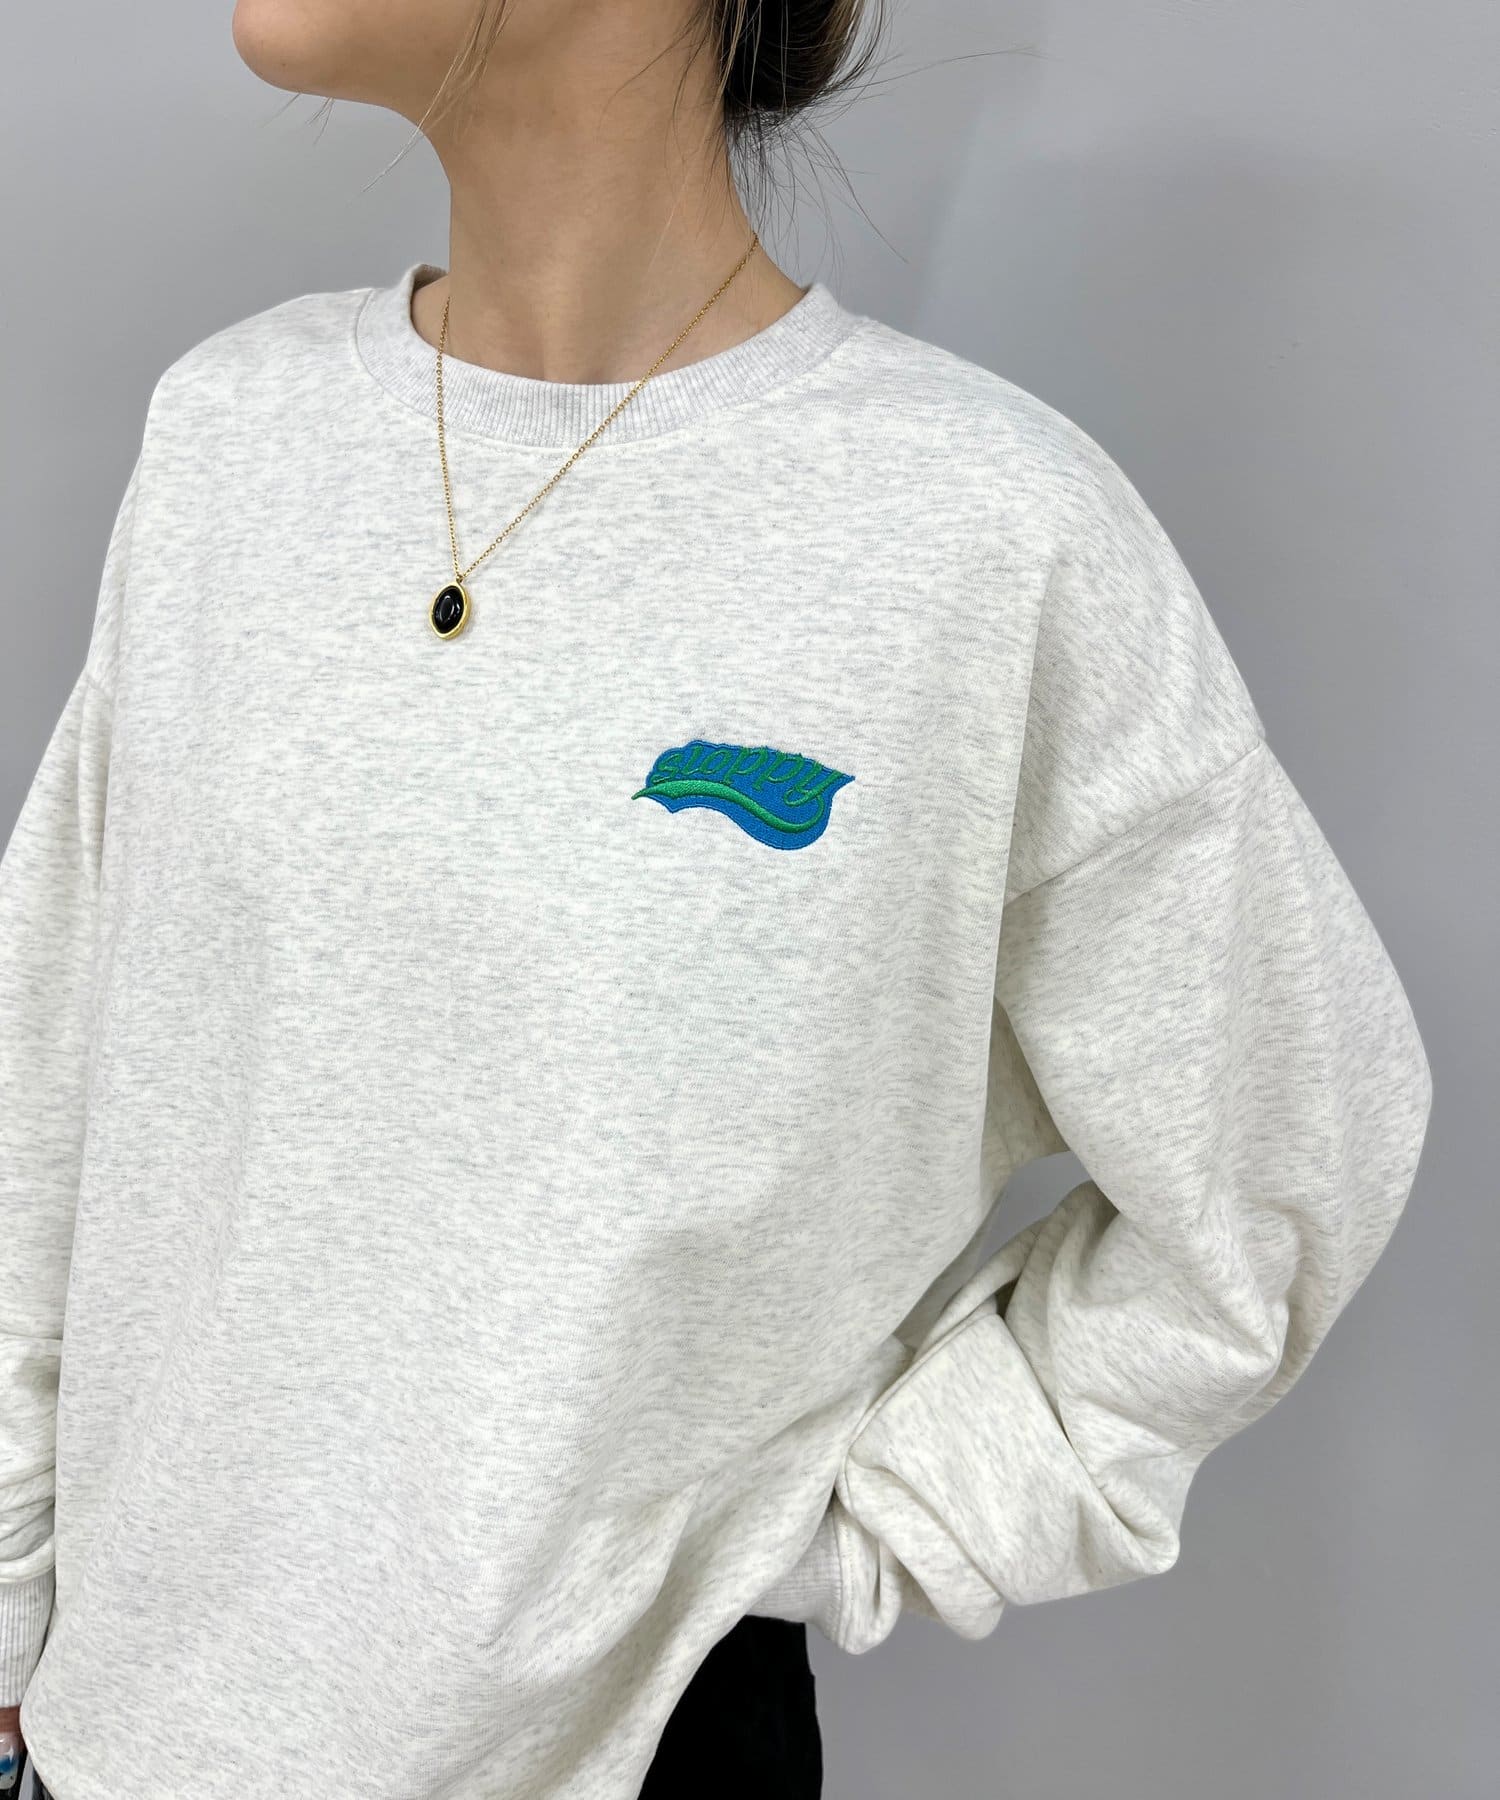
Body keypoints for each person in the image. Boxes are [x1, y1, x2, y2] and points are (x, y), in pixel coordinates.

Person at [0, 2, 1434, 1797]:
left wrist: (879, 1522)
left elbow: (1294, 1152)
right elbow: (45, 1075)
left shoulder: (982, 531)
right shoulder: (234, 434)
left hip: (619, 1757)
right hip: (109, 1736)